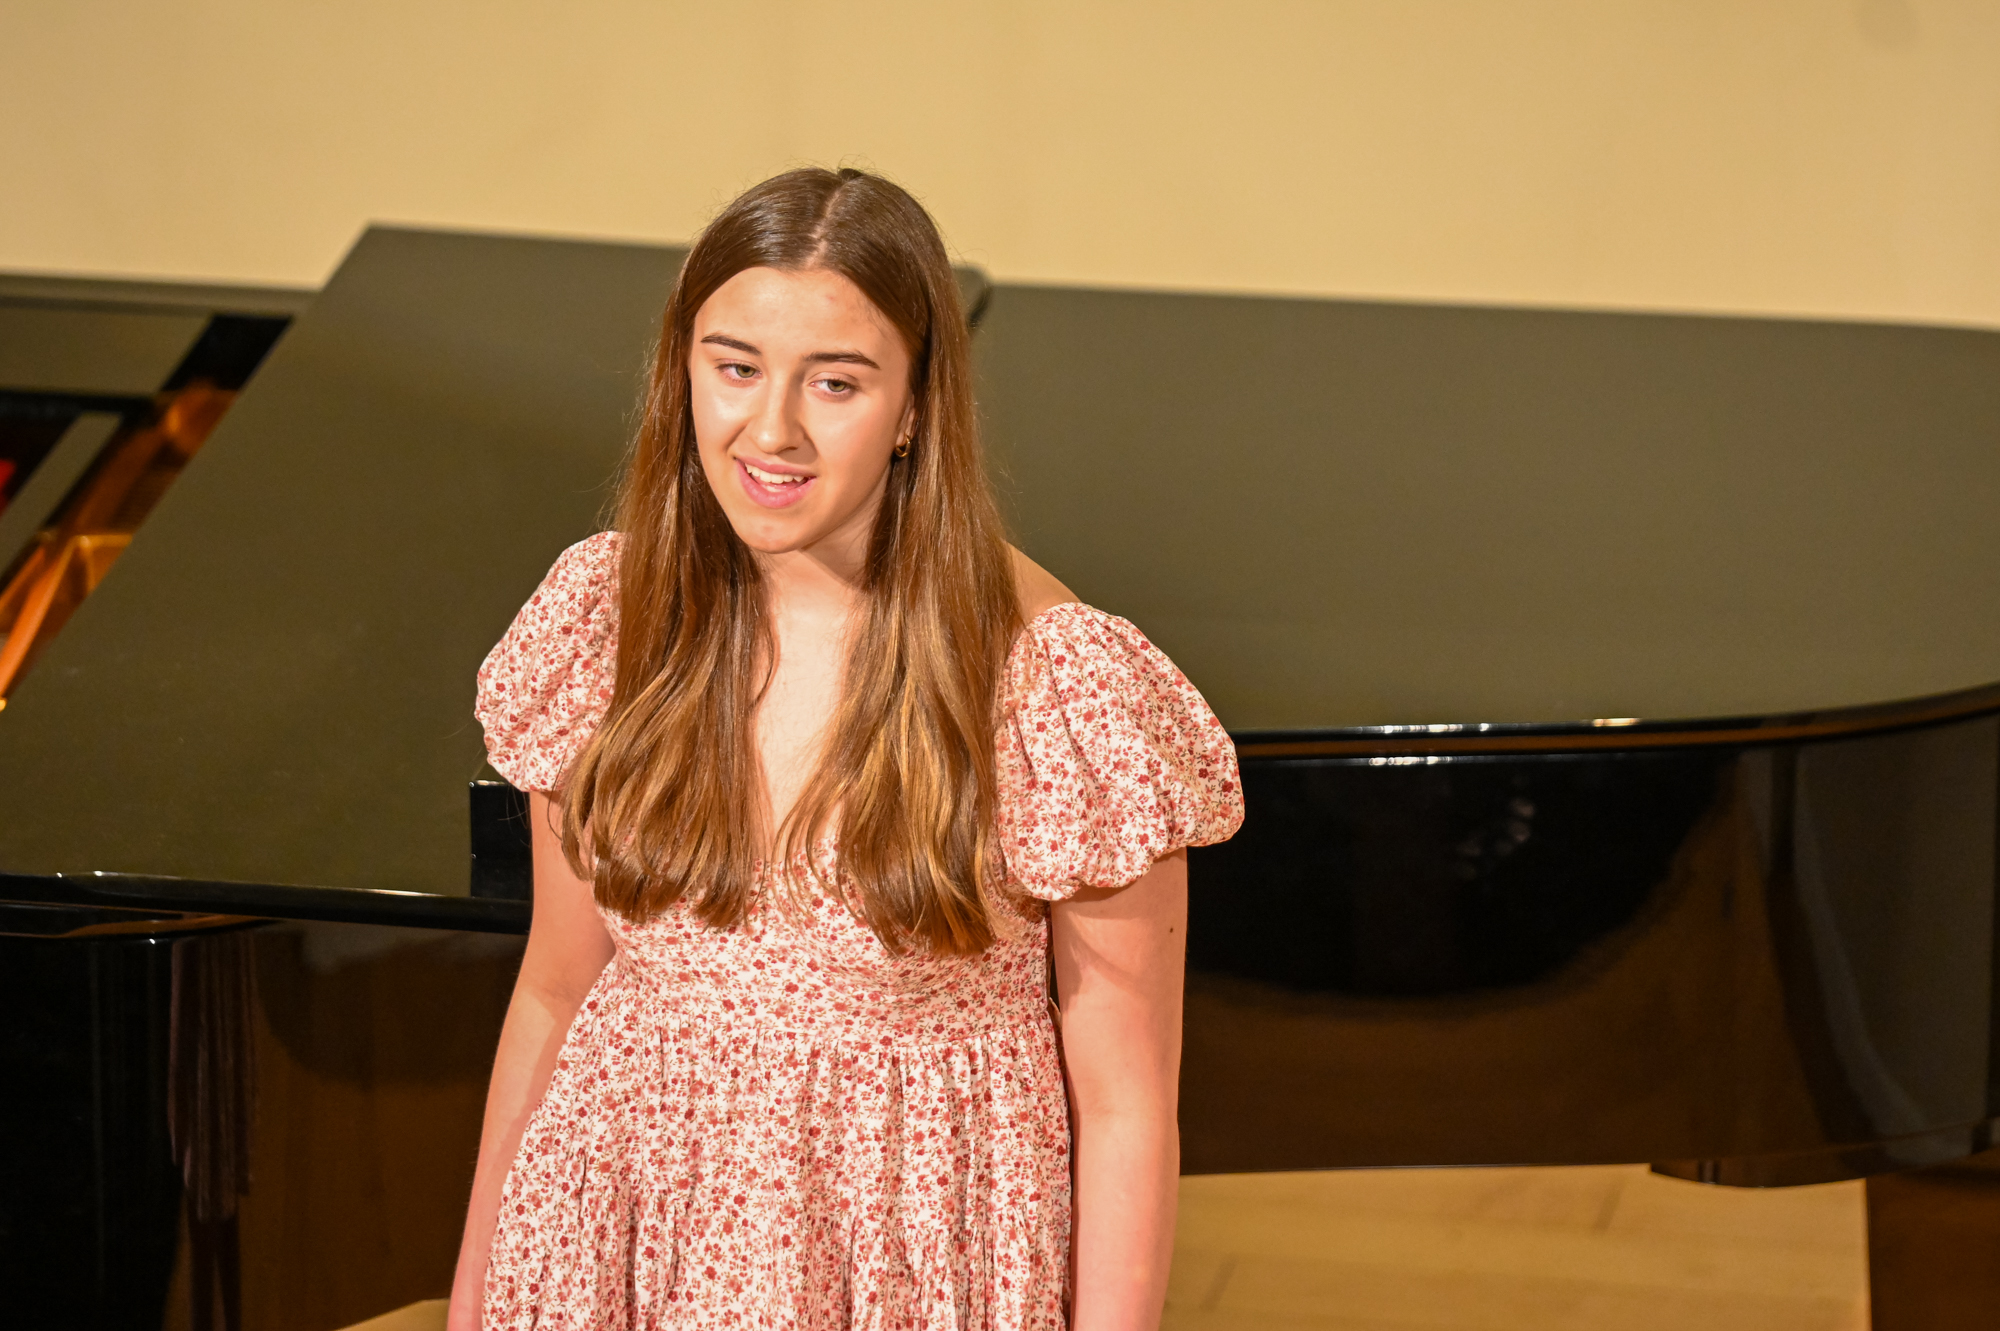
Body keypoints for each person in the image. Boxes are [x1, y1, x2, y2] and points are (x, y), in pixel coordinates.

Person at [448, 166, 1242, 1331]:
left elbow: (1125, 1103)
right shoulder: (608, 618)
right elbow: (558, 987)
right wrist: (475, 1298)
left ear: (915, 406)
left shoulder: (1054, 682)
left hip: (902, 1262)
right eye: (734, 367)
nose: (769, 430)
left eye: (834, 382)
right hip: (624, 1235)